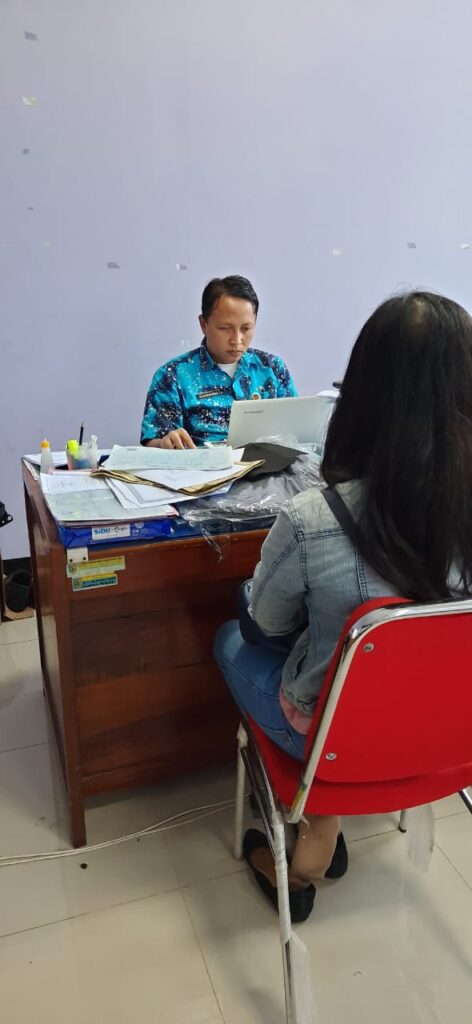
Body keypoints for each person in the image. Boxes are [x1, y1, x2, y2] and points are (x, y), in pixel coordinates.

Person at [214, 290, 472, 921]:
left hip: (333, 736)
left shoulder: (313, 516)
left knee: (230, 637)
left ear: (360, 396)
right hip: (452, 733)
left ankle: (315, 830)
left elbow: (266, 625)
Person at [140, 275, 297, 448]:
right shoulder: (173, 376)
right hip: (202, 464)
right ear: (203, 324)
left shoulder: (272, 369)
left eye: (246, 328)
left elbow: (295, 432)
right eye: (225, 328)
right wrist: (164, 443)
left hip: (267, 463)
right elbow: (154, 441)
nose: (237, 340)